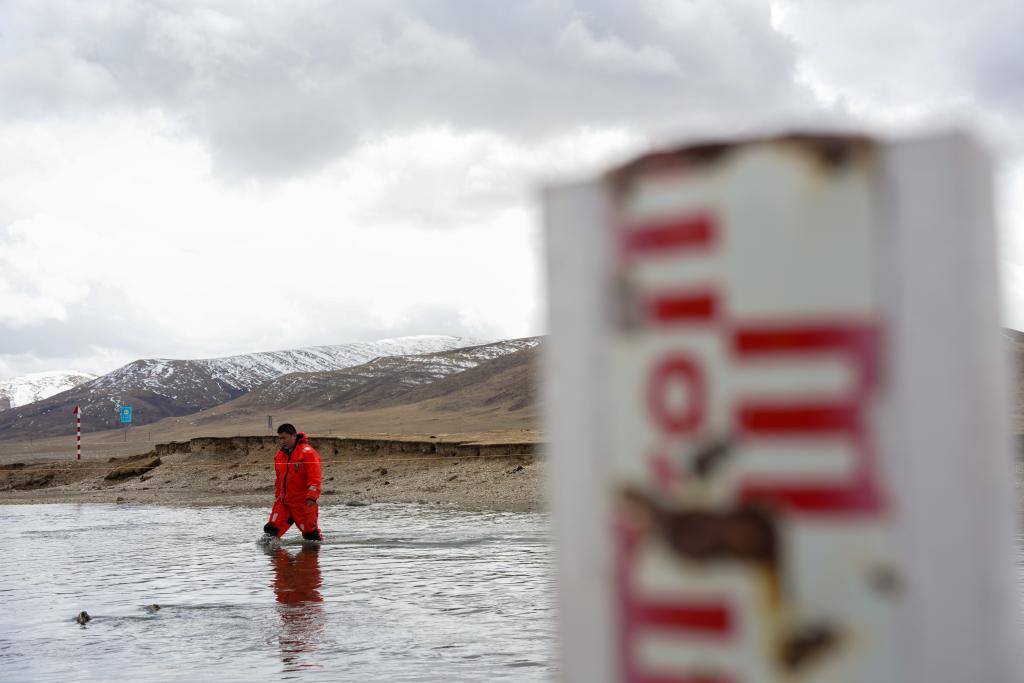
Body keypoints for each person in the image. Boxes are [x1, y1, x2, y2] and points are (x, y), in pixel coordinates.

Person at [262, 423, 324, 542]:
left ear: (294, 436)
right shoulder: (280, 455)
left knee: (311, 537)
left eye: (284, 438)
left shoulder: (308, 453)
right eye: (280, 438)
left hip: (303, 502)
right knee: (270, 534)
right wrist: (277, 495)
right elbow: (279, 479)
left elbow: (314, 477)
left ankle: (314, 551)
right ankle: (274, 554)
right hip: (283, 502)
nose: (282, 441)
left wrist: (312, 496)